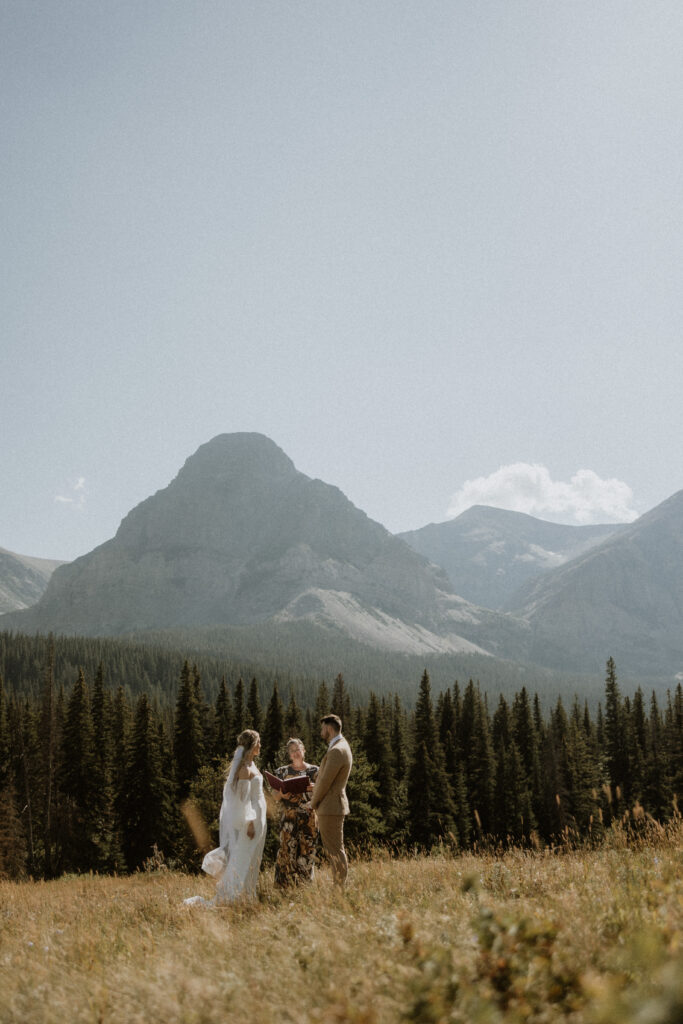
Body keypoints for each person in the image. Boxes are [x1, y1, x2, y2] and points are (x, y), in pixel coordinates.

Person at [184, 729, 266, 906]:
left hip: (259, 818)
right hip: (250, 822)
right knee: (242, 861)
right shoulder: (244, 769)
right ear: (252, 746)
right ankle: (232, 898)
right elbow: (242, 801)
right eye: (258, 742)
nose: (260, 745)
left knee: (253, 859)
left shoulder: (252, 765)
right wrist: (250, 823)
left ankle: (247, 897)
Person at [310, 715, 353, 887]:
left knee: (335, 850)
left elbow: (326, 782)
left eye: (322, 728)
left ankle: (339, 889)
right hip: (333, 805)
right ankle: (339, 887)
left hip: (330, 807)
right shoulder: (340, 746)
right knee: (335, 849)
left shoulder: (336, 750)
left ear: (329, 728)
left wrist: (312, 803)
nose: (321, 732)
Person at [270, 738, 319, 887]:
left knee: (307, 852)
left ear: (303, 750)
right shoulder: (282, 771)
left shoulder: (315, 771)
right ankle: (284, 889)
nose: (295, 753)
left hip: (309, 817)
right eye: (292, 751)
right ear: (289, 755)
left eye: (298, 749)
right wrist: (281, 794)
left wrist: (314, 788)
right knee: (286, 852)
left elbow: (324, 791)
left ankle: (304, 889)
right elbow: (274, 796)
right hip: (289, 818)